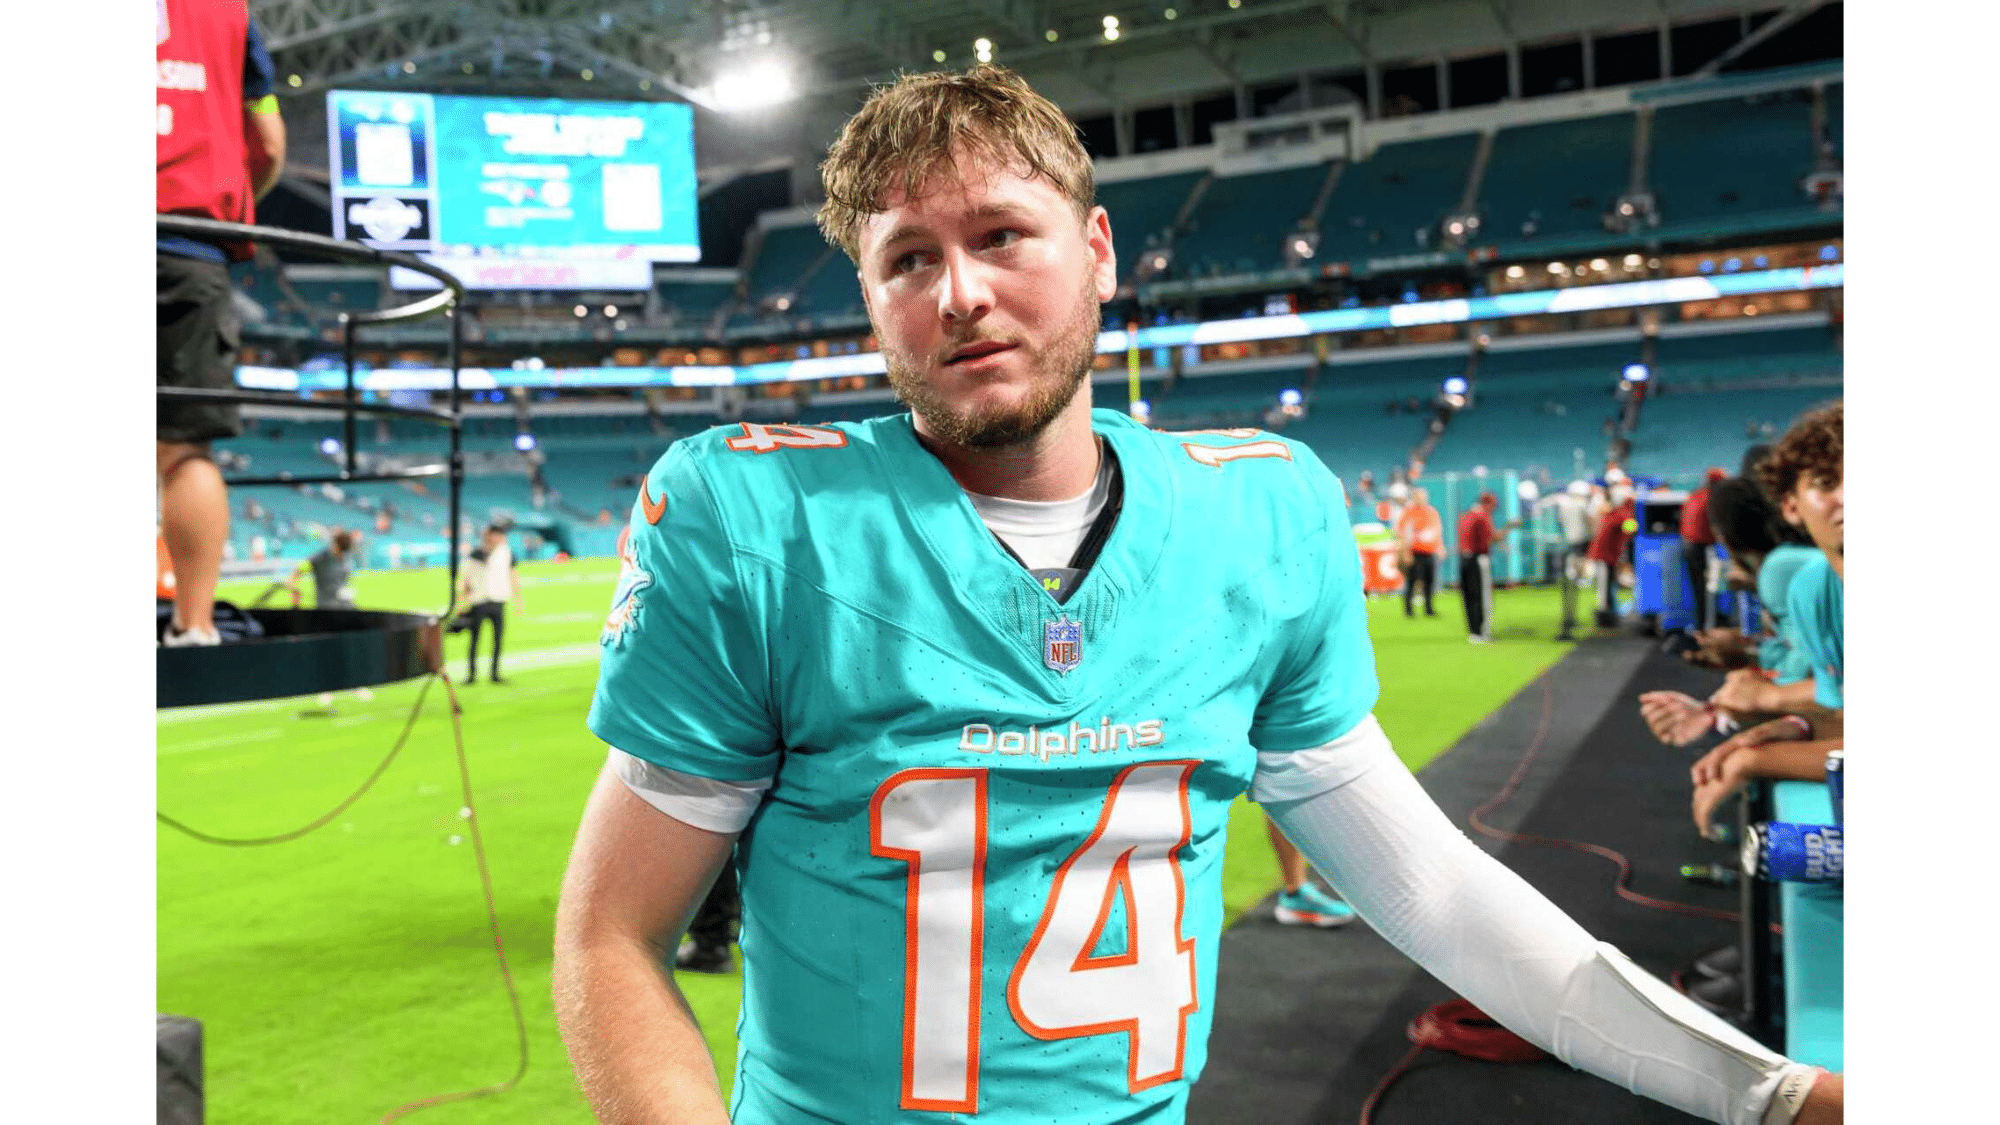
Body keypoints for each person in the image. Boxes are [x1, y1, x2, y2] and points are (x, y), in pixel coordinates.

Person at [554, 64, 1840, 1125]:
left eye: (1001, 234)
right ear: (871, 300)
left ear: (1098, 250)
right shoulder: (755, 520)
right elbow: (612, 936)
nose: (959, 293)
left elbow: (1431, 889)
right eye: (906, 260)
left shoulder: (1260, 513)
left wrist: (1773, 1096)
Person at [157, 0, 286, 646]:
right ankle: (195, 625)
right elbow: (267, 145)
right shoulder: (226, 13)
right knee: (186, 452)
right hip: (190, 243)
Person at [1532, 479, 1594, 639]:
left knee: (1569, 587)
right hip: (1579, 547)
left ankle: (1569, 621)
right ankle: (1567, 625)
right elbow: (1589, 524)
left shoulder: (1564, 505)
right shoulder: (1581, 506)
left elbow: (1559, 522)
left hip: (1568, 547)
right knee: (1573, 587)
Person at [1456, 491, 1520, 643]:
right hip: (1478, 559)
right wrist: (1509, 527)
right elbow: (1491, 538)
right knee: (1482, 596)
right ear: (1488, 503)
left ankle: (1473, 631)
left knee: (1469, 597)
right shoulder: (1482, 516)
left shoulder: (1465, 516)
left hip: (1463, 559)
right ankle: (1482, 632)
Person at [456, 524, 517, 685]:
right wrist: (460, 602)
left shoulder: (506, 553)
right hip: (479, 601)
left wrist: (518, 600)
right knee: (475, 640)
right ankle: (471, 674)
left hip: (498, 600)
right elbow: (465, 578)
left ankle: (495, 673)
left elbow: (513, 575)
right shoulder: (476, 553)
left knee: (497, 639)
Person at [1681, 467, 1727, 629]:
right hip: (1701, 549)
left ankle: (1703, 624)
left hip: (1689, 546)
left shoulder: (1695, 495)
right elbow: (1716, 526)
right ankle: (1707, 626)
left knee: (1699, 590)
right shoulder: (1713, 498)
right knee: (1707, 589)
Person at [1393, 486, 1442, 617]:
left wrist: (1440, 547)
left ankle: (1429, 609)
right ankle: (1409, 610)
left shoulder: (1432, 511)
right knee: (1412, 582)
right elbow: (1400, 532)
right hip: (1414, 553)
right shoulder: (1408, 512)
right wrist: (1405, 552)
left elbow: (1437, 530)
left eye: (1423, 497)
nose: (1422, 499)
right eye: (1419, 497)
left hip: (1429, 552)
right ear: (1414, 498)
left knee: (1429, 582)